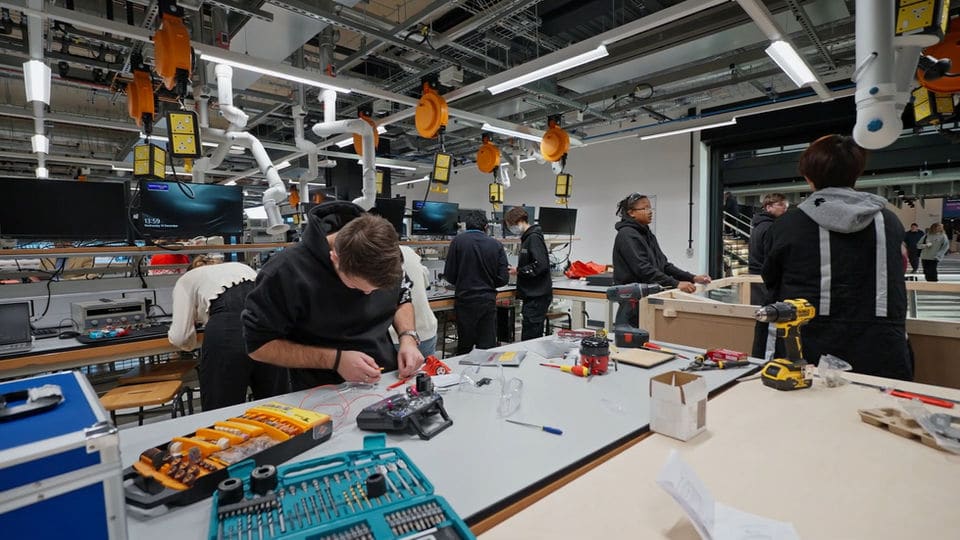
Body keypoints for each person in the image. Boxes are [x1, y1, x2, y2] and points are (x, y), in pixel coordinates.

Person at [762, 134, 911, 380]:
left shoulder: (788, 225)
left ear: (808, 176)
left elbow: (771, 279)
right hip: (881, 349)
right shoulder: (889, 222)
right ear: (857, 172)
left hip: (805, 349)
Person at [242, 201, 424, 390]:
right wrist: (335, 360)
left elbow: (402, 297)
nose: (369, 295)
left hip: (387, 380)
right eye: (357, 286)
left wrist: (408, 338)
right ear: (335, 258)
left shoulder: (386, 253)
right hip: (322, 393)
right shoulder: (284, 272)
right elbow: (259, 346)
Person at [168, 256, 289, 410]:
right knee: (276, 406)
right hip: (269, 326)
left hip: (227, 329)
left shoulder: (186, 279)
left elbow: (180, 336)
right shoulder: (240, 266)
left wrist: (193, 341)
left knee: (222, 411)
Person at [612, 192, 710, 326]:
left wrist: (692, 278)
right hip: (633, 300)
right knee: (632, 336)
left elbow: (664, 265)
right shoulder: (627, 235)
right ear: (631, 213)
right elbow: (643, 269)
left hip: (648, 297)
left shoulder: (646, 234)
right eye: (645, 208)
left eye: (650, 208)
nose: (650, 212)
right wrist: (676, 283)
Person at [443, 212, 509, 354]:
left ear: (466, 226)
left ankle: (463, 375)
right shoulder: (496, 245)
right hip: (487, 301)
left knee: (465, 348)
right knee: (486, 349)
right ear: (486, 227)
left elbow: (449, 275)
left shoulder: (457, 242)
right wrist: (489, 282)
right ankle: (486, 375)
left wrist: (462, 281)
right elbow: (504, 278)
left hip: (464, 301)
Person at [504, 206, 553, 340]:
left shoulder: (533, 238)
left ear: (519, 221)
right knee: (530, 332)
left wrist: (519, 271)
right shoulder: (528, 238)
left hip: (537, 296)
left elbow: (540, 265)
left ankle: (531, 359)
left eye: (510, 225)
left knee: (531, 336)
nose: (510, 228)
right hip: (534, 295)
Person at [389, 245, 438, 358]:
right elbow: (426, 281)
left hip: (394, 337)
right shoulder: (408, 251)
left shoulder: (372, 254)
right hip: (425, 330)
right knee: (425, 373)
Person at [748, 193, 789, 304]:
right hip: (766, 281)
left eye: (786, 205)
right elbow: (772, 258)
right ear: (768, 207)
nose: (785, 207)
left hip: (755, 279)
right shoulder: (771, 227)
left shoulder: (758, 226)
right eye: (780, 204)